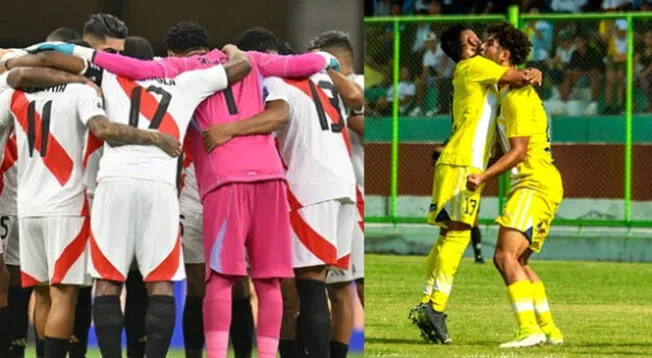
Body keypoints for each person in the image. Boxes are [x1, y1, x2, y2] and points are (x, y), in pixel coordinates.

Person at [38, 21, 340, 358]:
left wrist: (66, 50)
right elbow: (295, 66)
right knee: (259, 282)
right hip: (257, 178)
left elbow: (125, 67)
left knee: (209, 279)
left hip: (192, 180)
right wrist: (326, 59)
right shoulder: (231, 67)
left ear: (168, 53)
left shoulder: (167, 69)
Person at [19, 37, 252, 357]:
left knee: (107, 282)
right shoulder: (187, 81)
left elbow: (43, 62)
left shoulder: (110, 74)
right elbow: (242, 67)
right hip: (159, 186)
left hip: (114, 183)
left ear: (125, 59)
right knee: (161, 282)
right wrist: (230, 49)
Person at [0, 60, 180, 358]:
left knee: (41, 294)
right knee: (64, 295)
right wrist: (156, 137)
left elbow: (13, 74)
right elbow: (102, 128)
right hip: (66, 206)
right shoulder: (80, 91)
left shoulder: (17, 95)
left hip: (26, 206)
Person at [409, 23, 542, 345]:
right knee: (457, 234)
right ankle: (435, 307)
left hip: (457, 159)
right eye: (477, 37)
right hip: (463, 162)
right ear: (469, 42)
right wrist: (534, 73)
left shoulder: (472, 72)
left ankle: (429, 303)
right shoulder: (475, 66)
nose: (483, 41)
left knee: (448, 235)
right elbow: (518, 76)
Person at [466, 22, 564, 348]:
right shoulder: (509, 90)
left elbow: (519, 150)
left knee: (503, 256)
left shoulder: (517, 95)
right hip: (541, 181)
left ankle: (528, 329)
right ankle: (549, 330)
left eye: (490, 44)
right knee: (518, 261)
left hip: (534, 181)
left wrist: (482, 176)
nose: (484, 48)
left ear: (504, 54)